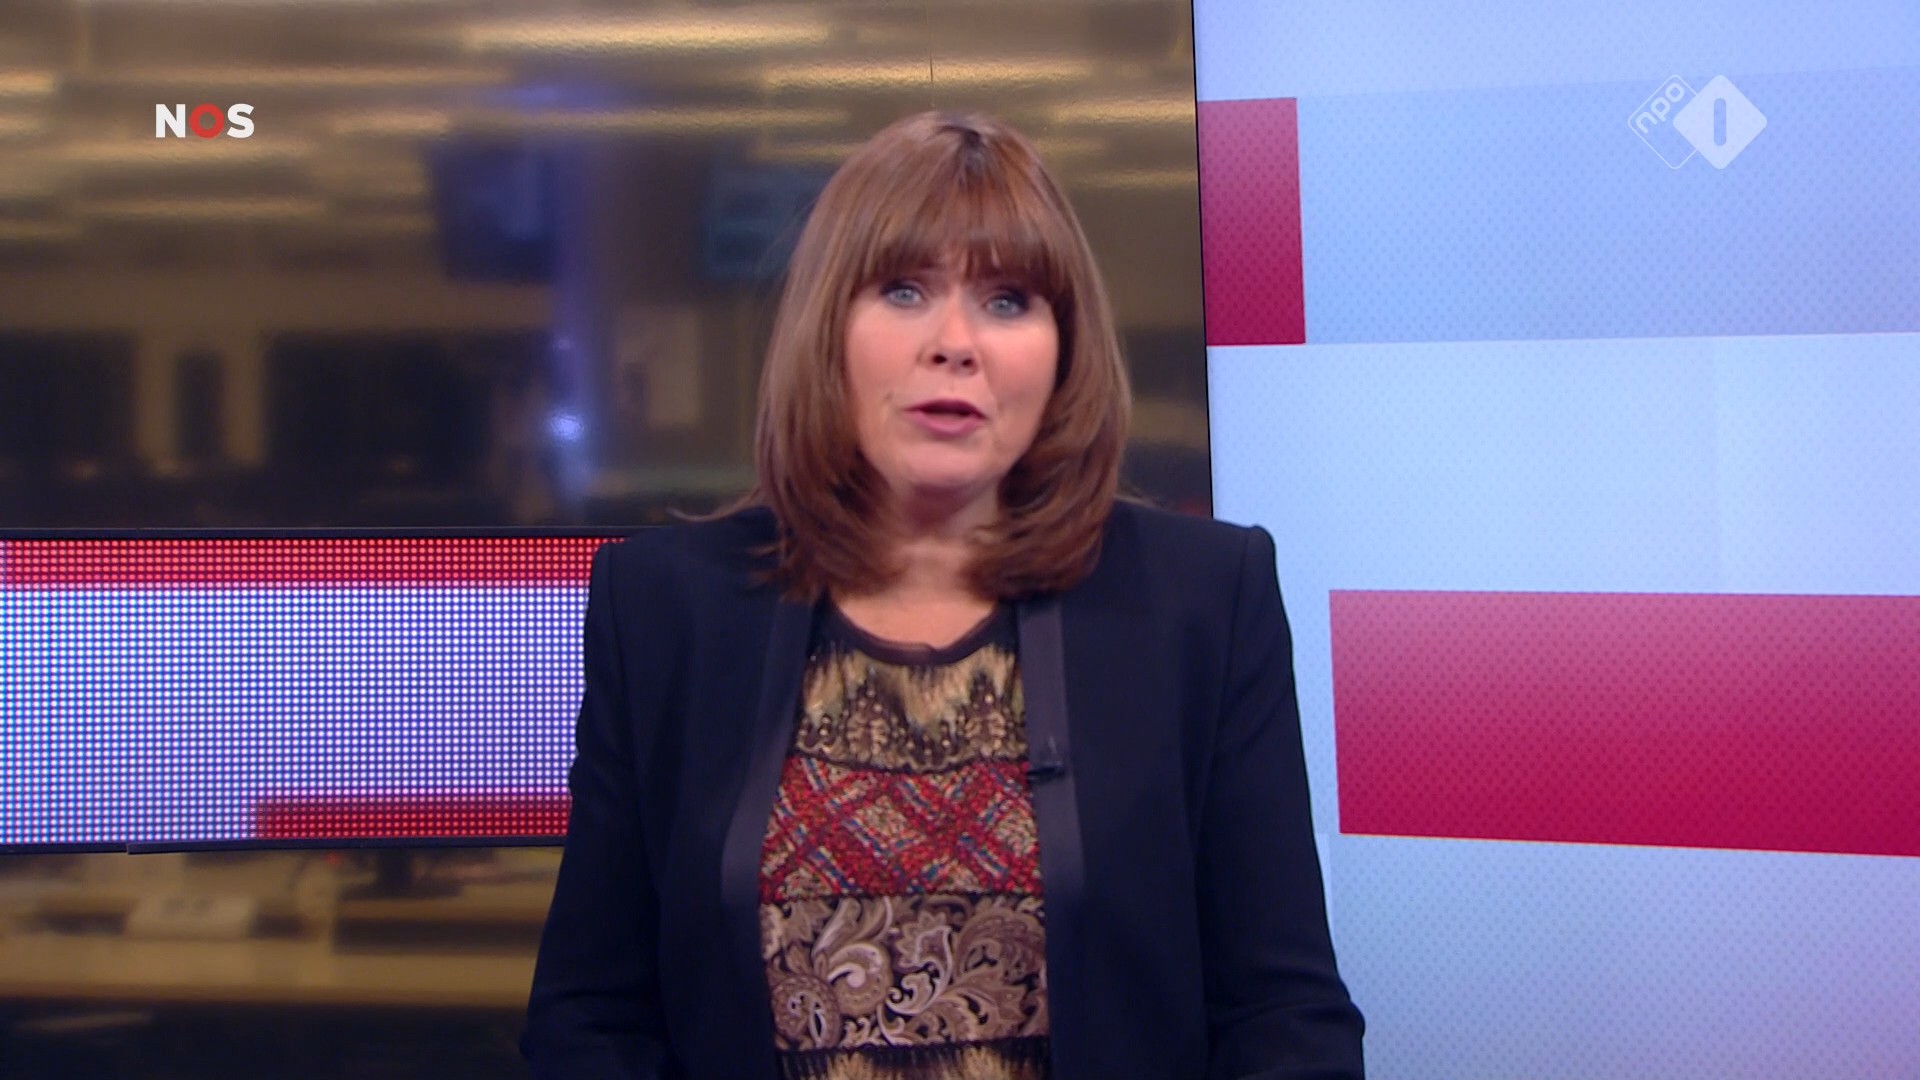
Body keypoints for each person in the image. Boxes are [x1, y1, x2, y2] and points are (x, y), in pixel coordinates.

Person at [521, 110, 1364, 1080]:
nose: (956, 343)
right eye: (904, 290)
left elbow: (1283, 1015)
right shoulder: (667, 607)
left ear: (1064, 346)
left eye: (1007, 300)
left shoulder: (1205, 602)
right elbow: (591, 1017)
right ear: (828, 329)